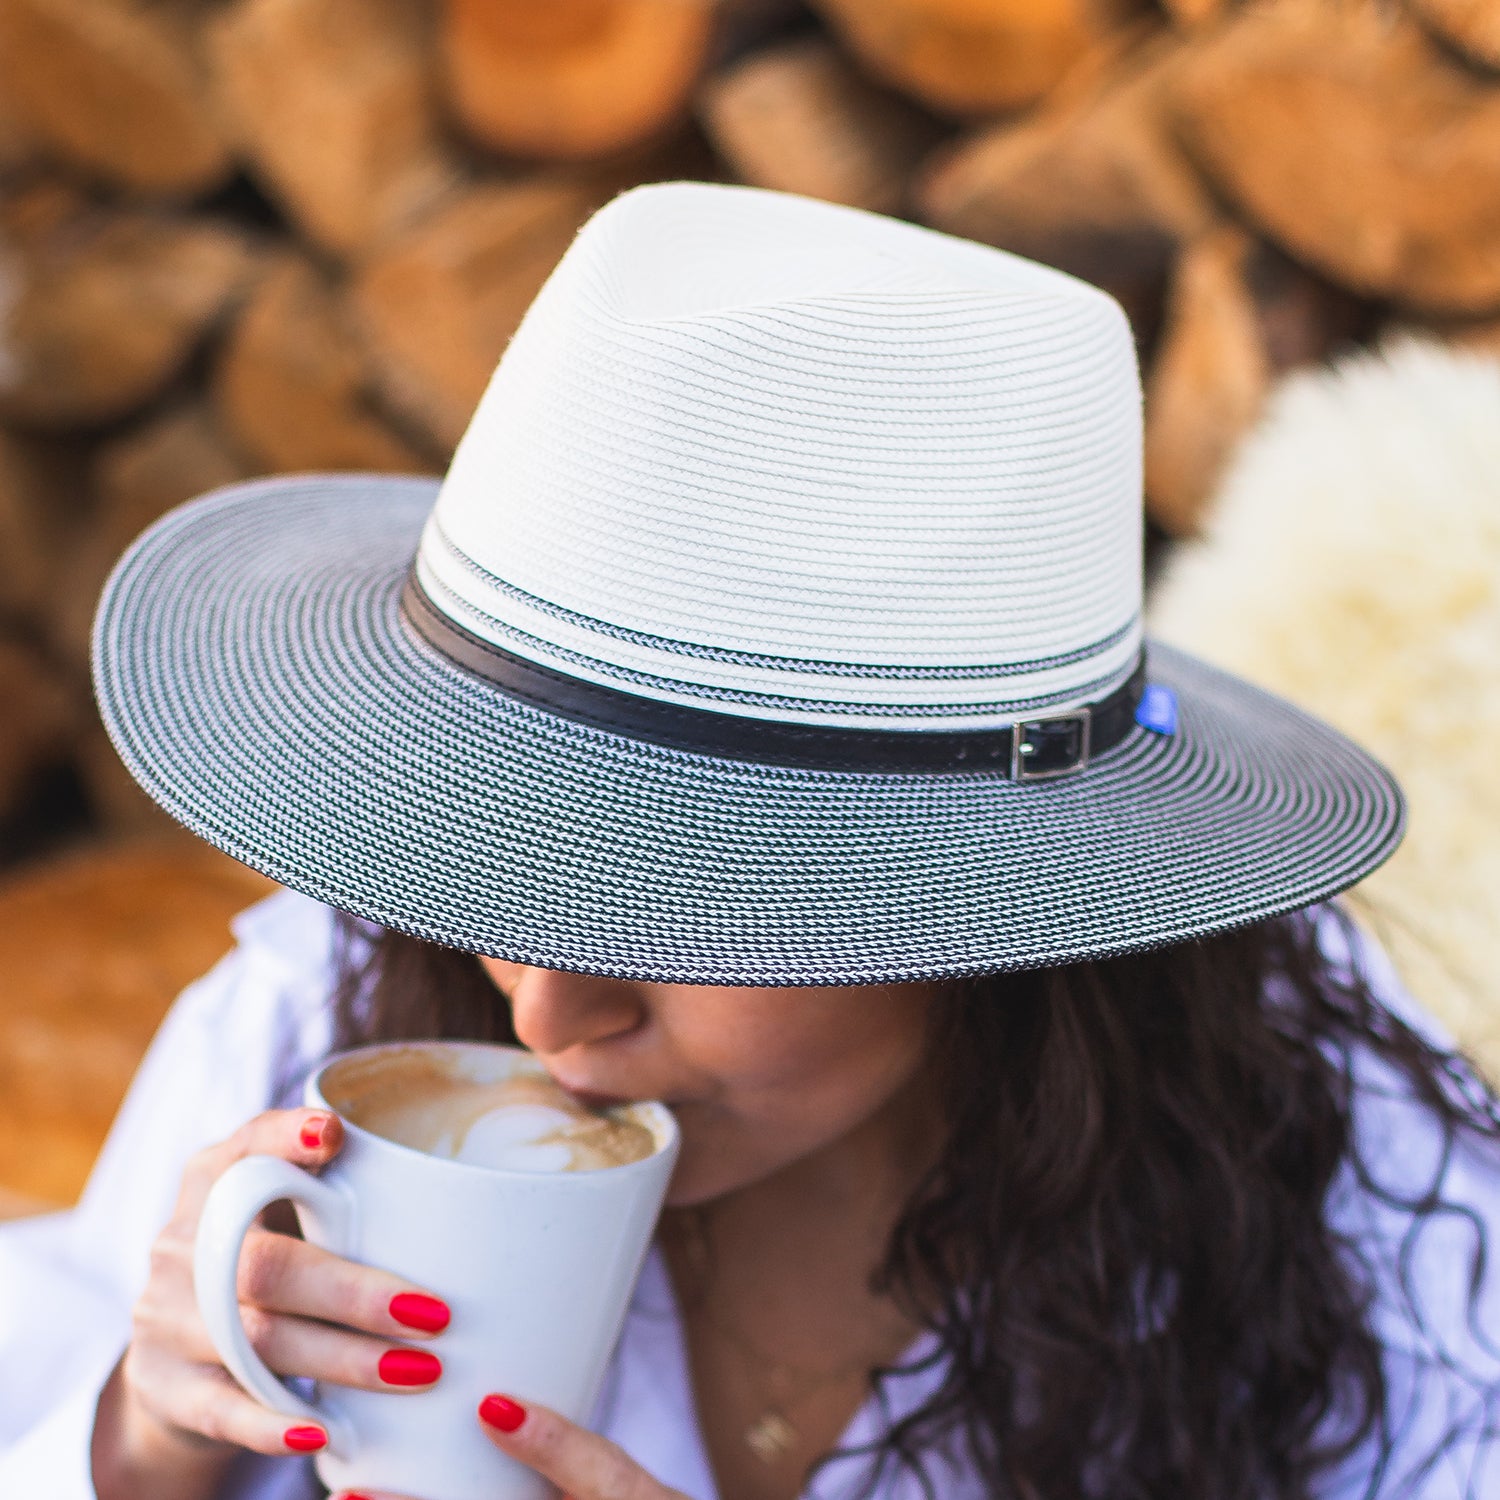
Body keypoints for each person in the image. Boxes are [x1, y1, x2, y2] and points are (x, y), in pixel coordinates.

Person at [2, 181, 1498, 1500]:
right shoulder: (311, 1021)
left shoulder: (1361, 1226)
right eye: (495, 856)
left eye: (674, 902)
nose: (541, 1004)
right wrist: (144, 1446)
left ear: (997, 899)